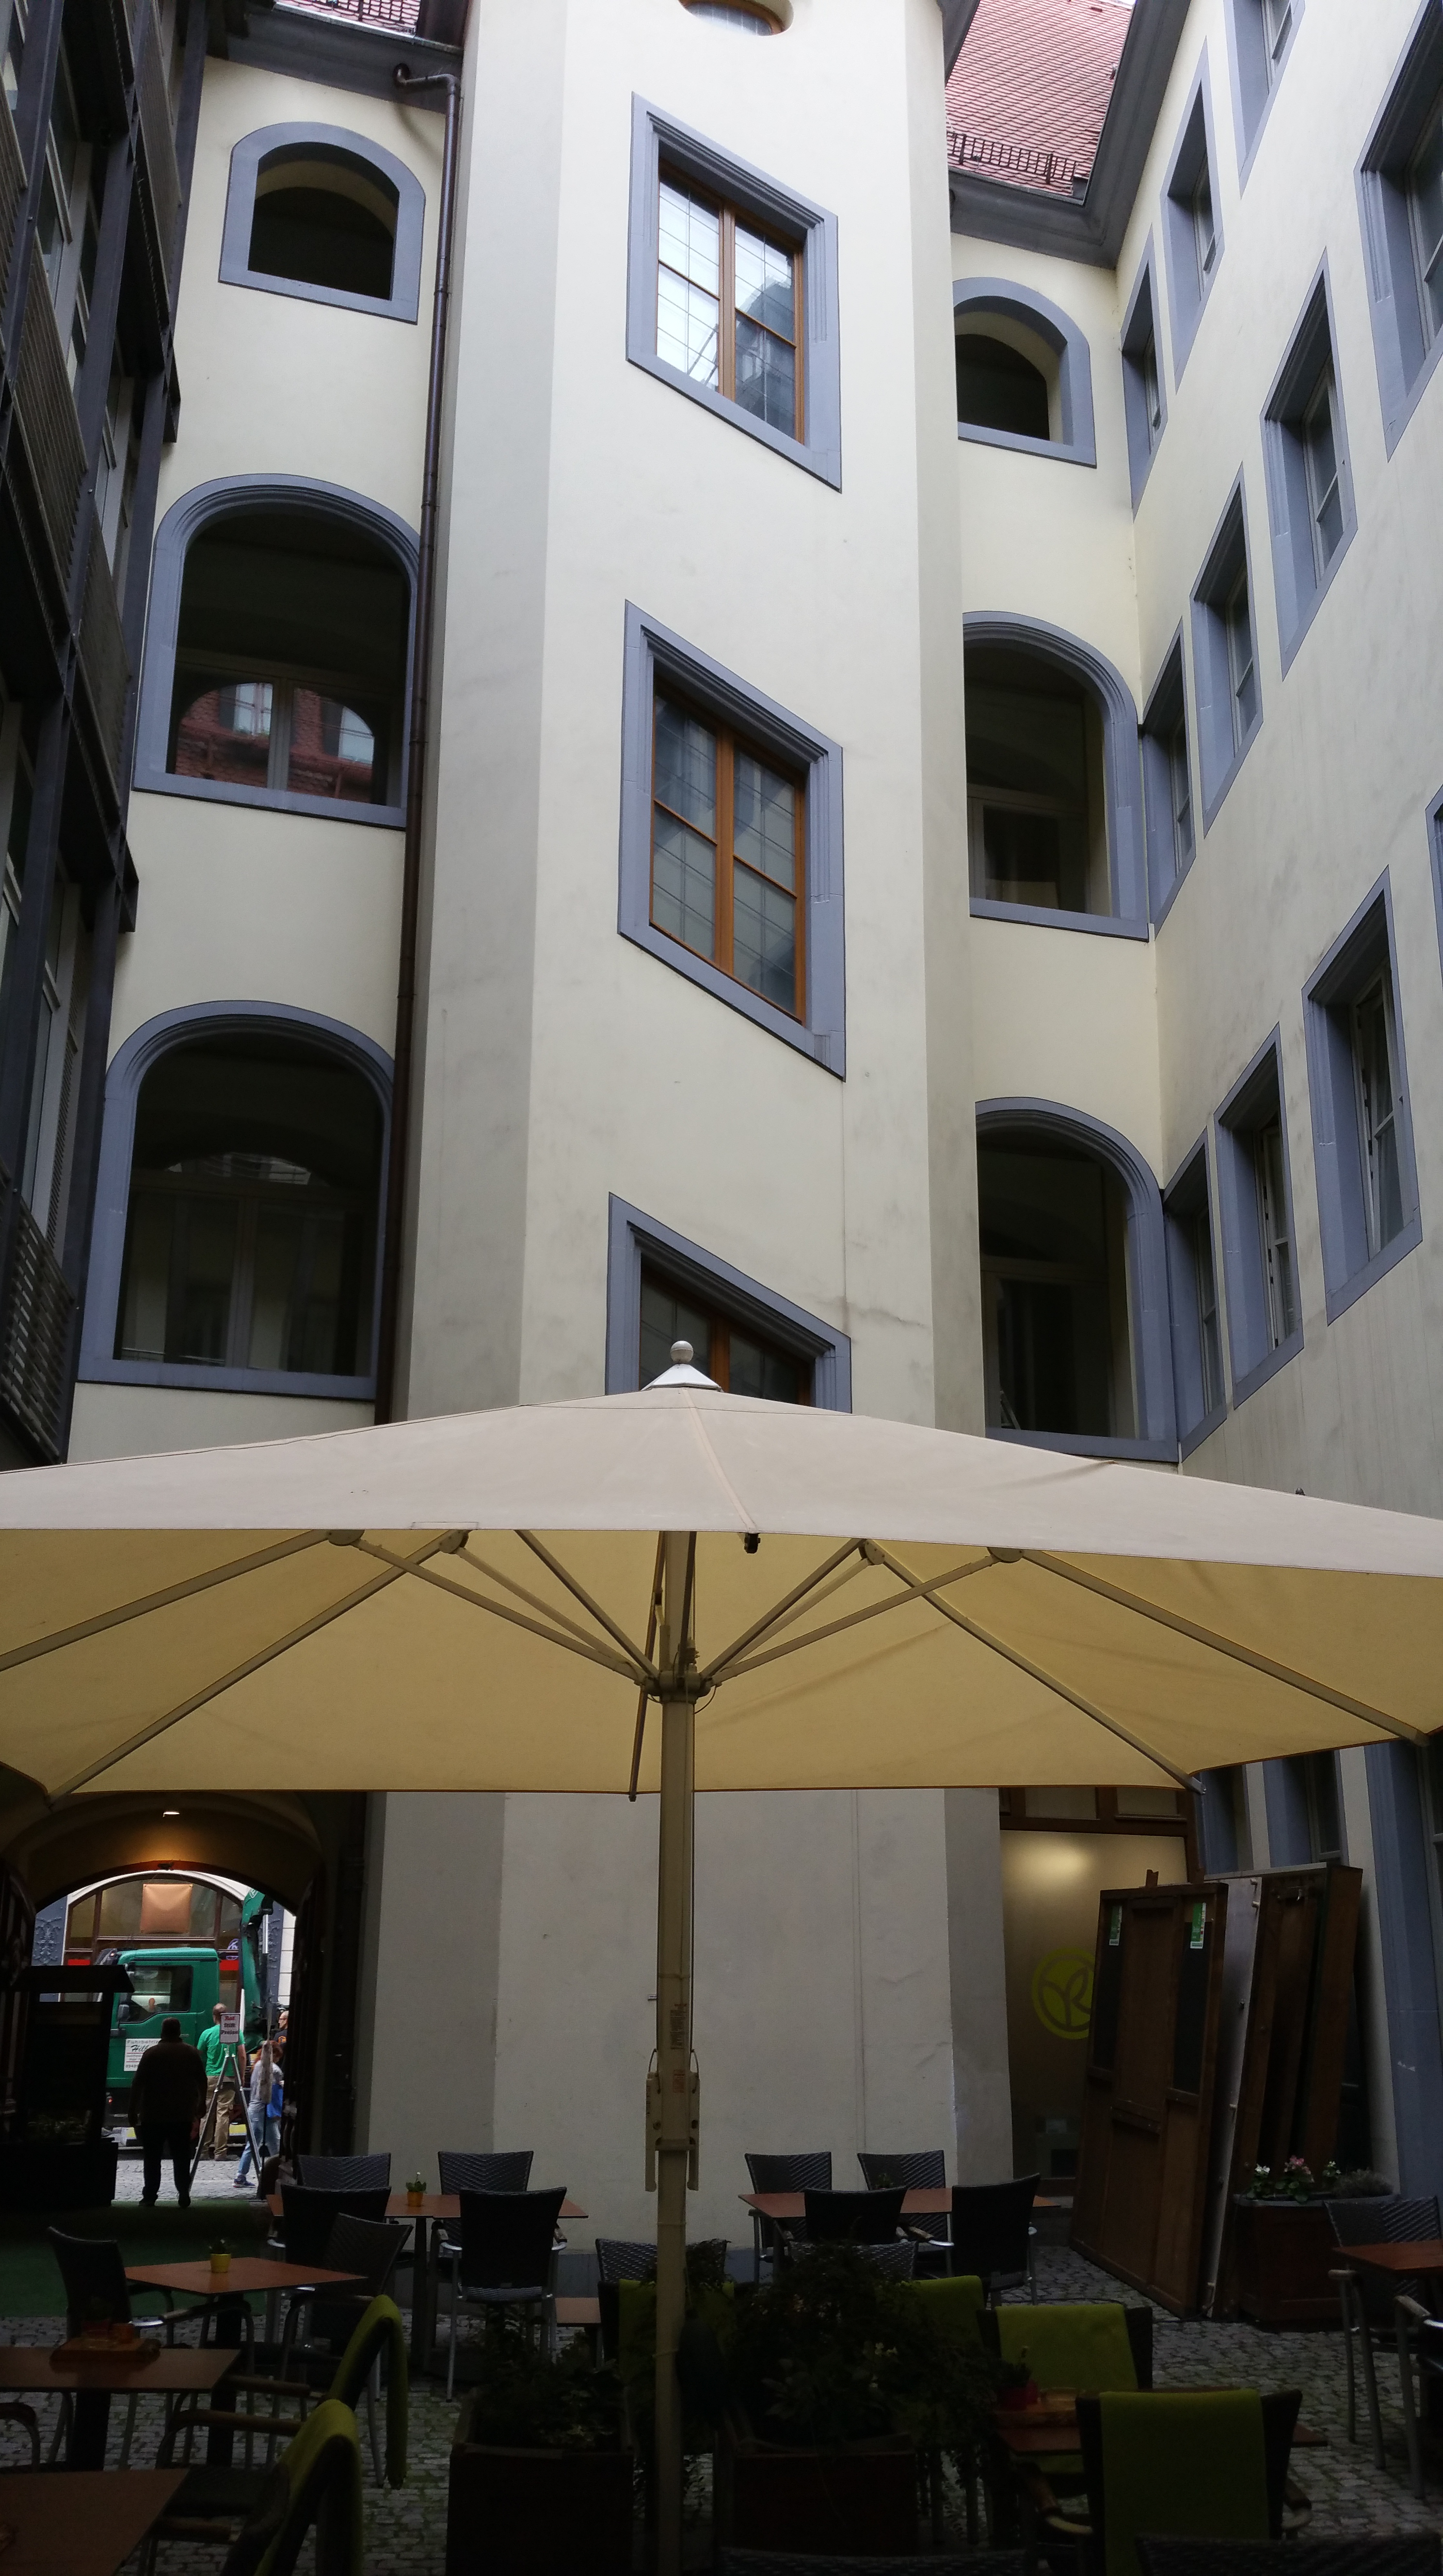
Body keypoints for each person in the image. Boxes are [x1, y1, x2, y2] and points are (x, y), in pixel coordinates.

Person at [129, 2015, 207, 2207]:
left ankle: (150, 2195)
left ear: (162, 2032)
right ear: (179, 2032)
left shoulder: (151, 2054)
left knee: (152, 2158)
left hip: (153, 2115)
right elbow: (202, 2080)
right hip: (182, 2114)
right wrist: (201, 2104)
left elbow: (138, 2084)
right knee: (181, 2157)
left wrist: (132, 2110)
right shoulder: (191, 2053)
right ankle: (183, 2192)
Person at [234, 2036, 282, 2190]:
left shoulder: (258, 2065)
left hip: (255, 2109)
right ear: (275, 2055)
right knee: (274, 2144)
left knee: (254, 2144)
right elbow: (277, 2088)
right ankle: (277, 2175)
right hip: (265, 2110)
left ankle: (242, 2176)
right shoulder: (274, 2069)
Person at [197, 2004, 245, 2160]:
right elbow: (242, 2055)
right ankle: (220, 2153)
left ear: (214, 2017)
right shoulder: (236, 2033)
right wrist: (241, 2076)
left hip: (210, 2076)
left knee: (207, 2115)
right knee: (223, 2114)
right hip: (229, 2077)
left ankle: (203, 2152)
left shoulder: (207, 2033)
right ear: (227, 2017)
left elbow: (199, 2053)